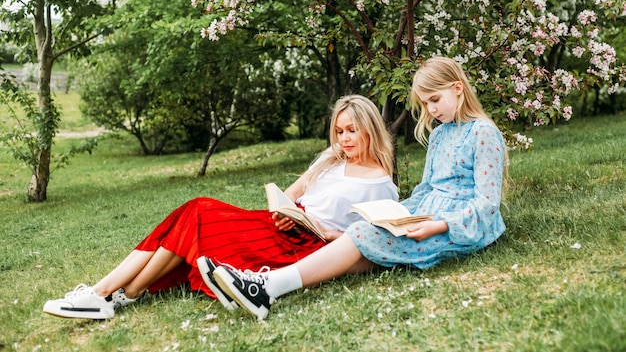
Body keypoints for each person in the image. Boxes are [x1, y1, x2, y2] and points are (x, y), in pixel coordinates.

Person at [43, 95, 398, 319]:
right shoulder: (331, 158)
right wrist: (285, 209)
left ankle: (106, 293)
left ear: (369, 129)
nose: (344, 139)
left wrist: (320, 229)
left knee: (196, 212)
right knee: (190, 217)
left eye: (352, 131)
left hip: (305, 247)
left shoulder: (380, 182)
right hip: (278, 226)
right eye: (339, 131)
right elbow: (297, 188)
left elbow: (366, 243)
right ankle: (111, 293)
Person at [207, 56, 508, 320]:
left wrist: (437, 225)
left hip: (459, 226)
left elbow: (486, 205)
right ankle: (266, 287)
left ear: (458, 88)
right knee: (366, 236)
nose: (430, 109)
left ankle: (266, 286)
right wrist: (398, 215)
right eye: (425, 103)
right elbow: (426, 189)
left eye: (434, 100)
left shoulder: (483, 133)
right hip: (424, 217)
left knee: (364, 237)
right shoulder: (441, 134)